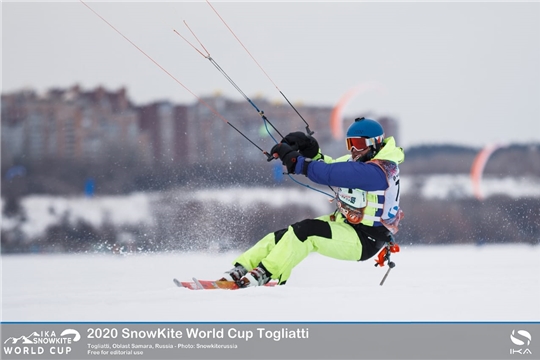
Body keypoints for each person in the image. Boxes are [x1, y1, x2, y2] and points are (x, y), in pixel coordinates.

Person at [220, 117, 405, 287]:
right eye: (350, 144)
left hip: (365, 240)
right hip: (347, 226)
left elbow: (330, 174)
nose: (354, 150)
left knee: (306, 233)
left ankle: (264, 274)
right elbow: (329, 165)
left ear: (376, 143)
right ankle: (241, 269)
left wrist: (299, 163)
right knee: (287, 234)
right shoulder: (358, 162)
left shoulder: (381, 171)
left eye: (358, 144)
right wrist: (312, 151)